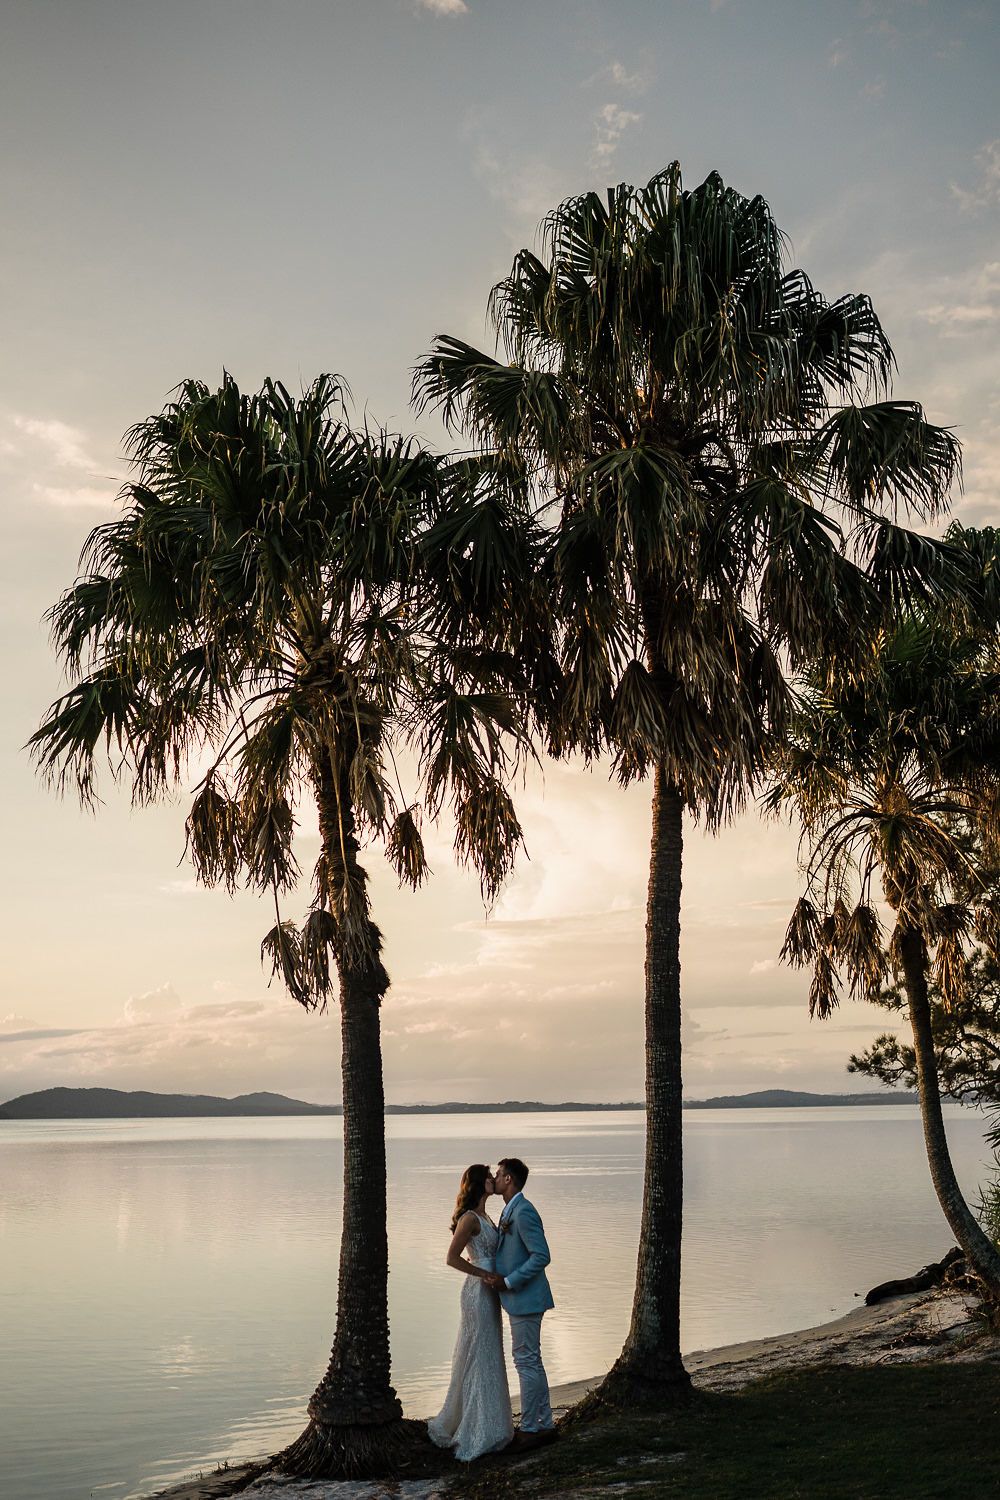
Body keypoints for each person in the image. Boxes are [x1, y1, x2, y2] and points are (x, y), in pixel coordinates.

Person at [427, 1164, 515, 1461]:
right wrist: (482, 1273)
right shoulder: (469, 1219)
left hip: (491, 1290)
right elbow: (451, 1258)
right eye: (489, 1177)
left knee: (489, 1353)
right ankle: (475, 1428)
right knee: (478, 1352)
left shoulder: (487, 1217)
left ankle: (491, 1423)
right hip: (477, 1292)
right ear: (478, 1183)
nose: (493, 1180)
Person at [483, 1157, 557, 1450]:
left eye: (499, 1173)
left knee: (526, 1362)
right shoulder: (509, 1209)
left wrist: (509, 1281)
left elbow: (541, 1256)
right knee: (531, 1361)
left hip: (526, 1298)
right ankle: (545, 1423)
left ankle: (529, 1429)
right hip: (522, 1300)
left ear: (509, 1179)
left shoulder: (523, 1212)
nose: (495, 1177)